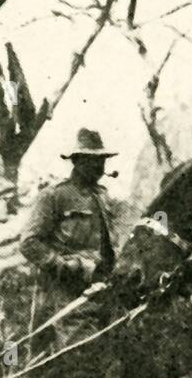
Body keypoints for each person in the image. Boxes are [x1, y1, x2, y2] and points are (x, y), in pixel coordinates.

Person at [19, 128, 118, 306]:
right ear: (76, 161)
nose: (99, 166)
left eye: (102, 160)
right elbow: (29, 243)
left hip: (101, 291)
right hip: (66, 294)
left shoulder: (102, 196)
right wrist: (66, 266)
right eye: (92, 160)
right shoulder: (54, 195)